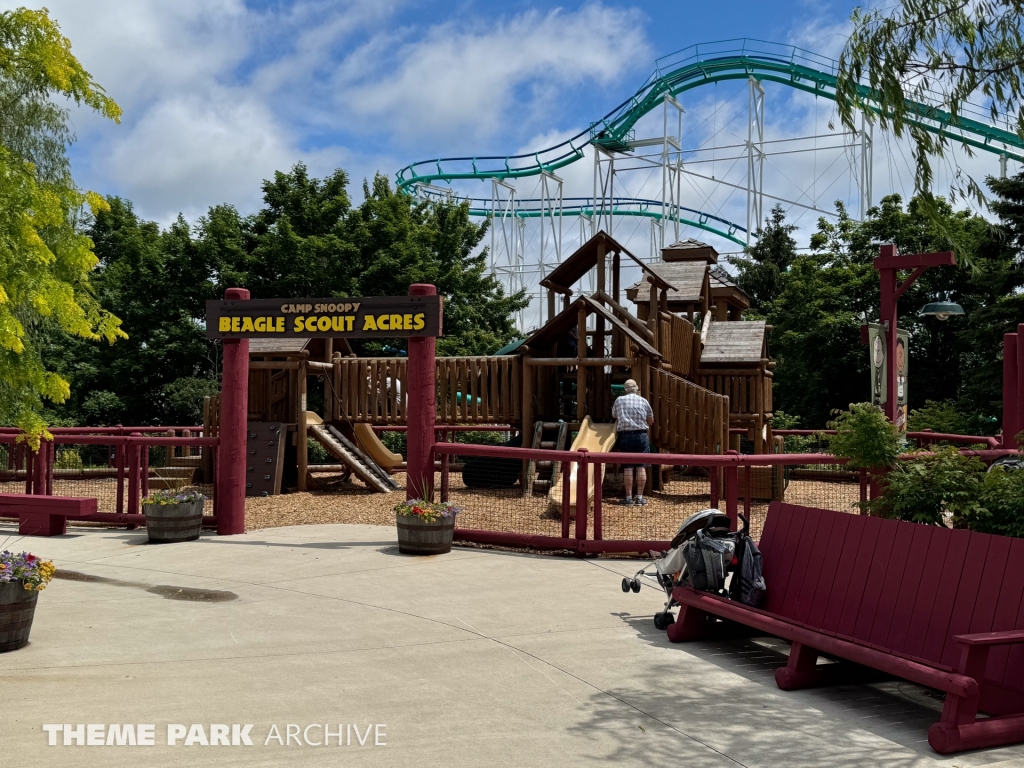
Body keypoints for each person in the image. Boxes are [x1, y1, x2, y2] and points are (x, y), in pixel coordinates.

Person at [611, 379, 654, 506]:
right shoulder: (643, 401)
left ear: (625, 389)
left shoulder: (619, 400)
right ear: (636, 389)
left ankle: (628, 498)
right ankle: (639, 498)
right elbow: (651, 420)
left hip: (625, 436)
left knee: (628, 467)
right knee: (641, 466)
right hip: (641, 435)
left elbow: (614, 415)